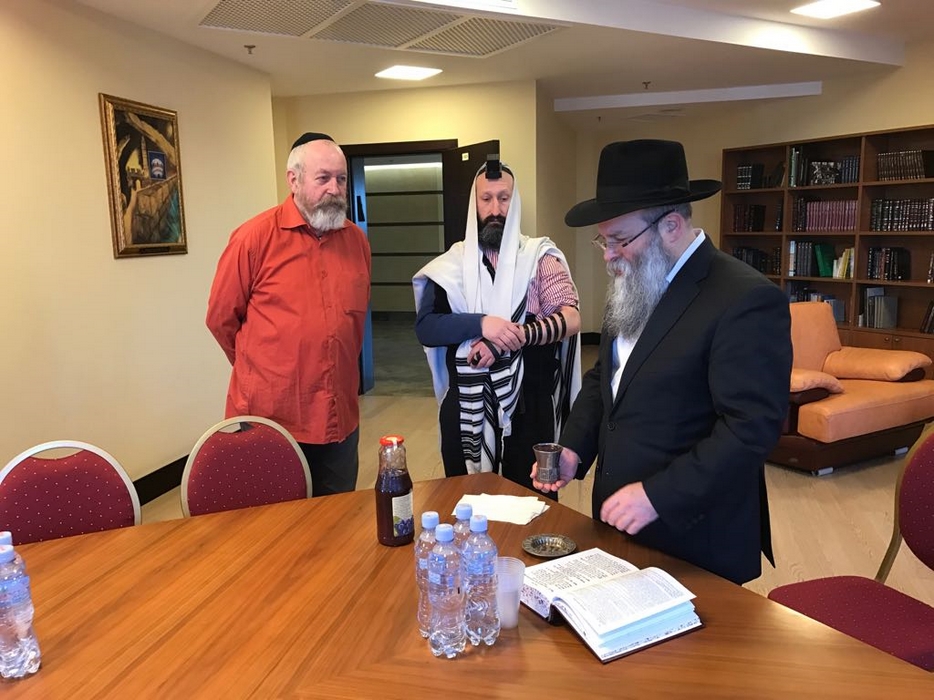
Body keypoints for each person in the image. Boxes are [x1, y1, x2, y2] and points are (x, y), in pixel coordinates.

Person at [534, 139, 791, 584]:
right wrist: (574, 447)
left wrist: (657, 495)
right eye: (603, 240)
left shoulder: (745, 298)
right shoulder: (633, 280)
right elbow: (607, 376)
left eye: (620, 240)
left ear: (670, 225)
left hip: (695, 533)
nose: (608, 254)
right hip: (621, 522)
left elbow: (750, 429)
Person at [206, 132, 371, 496]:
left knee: (337, 517)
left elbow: (352, 324)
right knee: (275, 522)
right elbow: (220, 319)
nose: (334, 189)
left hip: (338, 417)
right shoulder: (253, 238)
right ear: (293, 180)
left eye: (341, 179)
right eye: (323, 178)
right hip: (272, 419)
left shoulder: (356, 241)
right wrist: (265, 369)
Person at [413, 160, 581, 495]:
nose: (495, 210)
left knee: (532, 503)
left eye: (504, 199)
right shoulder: (451, 265)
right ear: (474, 204)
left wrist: (506, 338)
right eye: (486, 199)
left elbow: (571, 318)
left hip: (528, 407)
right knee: (464, 501)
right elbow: (427, 328)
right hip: (466, 407)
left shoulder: (539, 258)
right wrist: (481, 324)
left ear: (514, 202)